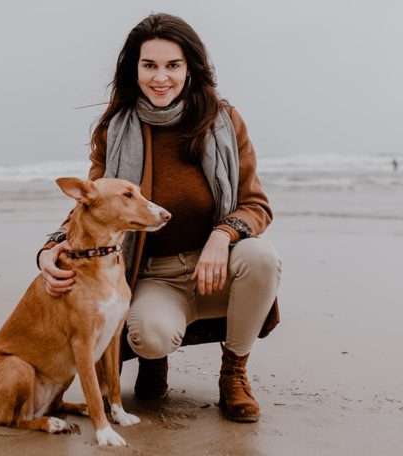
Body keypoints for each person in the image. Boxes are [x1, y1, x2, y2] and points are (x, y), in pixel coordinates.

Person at [36, 13, 282, 423]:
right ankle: (155, 359)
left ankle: (233, 373)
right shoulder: (116, 129)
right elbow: (92, 202)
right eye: (149, 65)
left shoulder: (223, 121)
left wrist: (222, 236)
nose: (161, 77)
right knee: (149, 336)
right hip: (153, 275)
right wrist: (50, 248)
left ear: (191, 69)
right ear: (134, 69)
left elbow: (256, 205)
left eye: (173, 65)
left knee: (262, 258)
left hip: (217, 269)